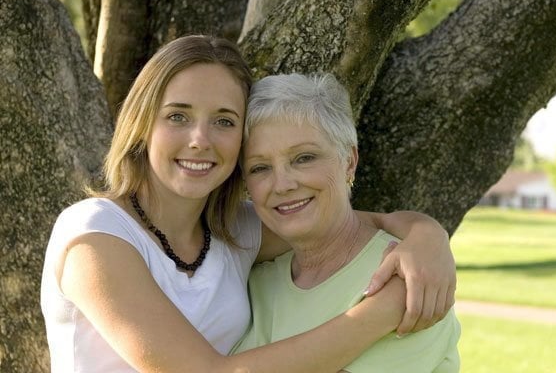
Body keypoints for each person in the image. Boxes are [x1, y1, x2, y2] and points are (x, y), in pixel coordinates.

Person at [40, 35, 455, 372]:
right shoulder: (94, 235)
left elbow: (351, 222)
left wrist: (427, 237)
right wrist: (383, 312)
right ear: (143, 125)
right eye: (178, 116)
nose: (200, 138)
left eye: (224, 120)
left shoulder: (238, 232)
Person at [234, 73, 461, 372]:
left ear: (349, 161)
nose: (282, 184)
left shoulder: (409, 277)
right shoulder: (254, 280)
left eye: (304, 158)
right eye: (260, 167)